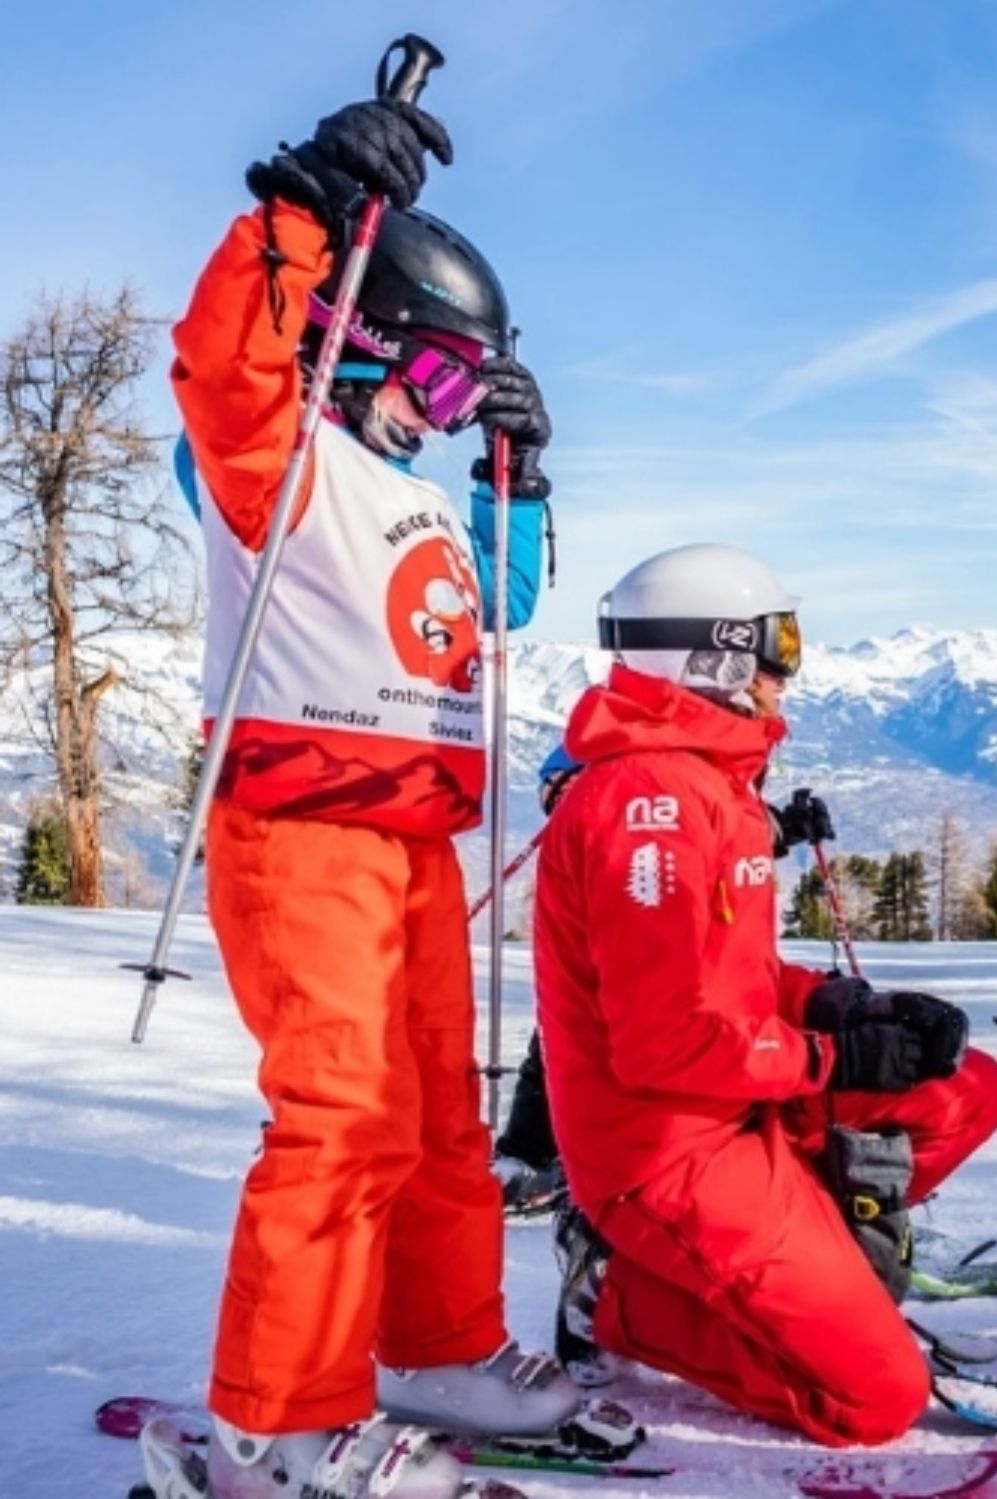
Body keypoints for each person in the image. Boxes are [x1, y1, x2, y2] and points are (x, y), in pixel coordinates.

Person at [145, 91, 574, 1499]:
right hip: (306, 823)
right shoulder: (271, 463)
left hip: (413, 842)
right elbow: (223, 366)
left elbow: (492, 603)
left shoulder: (418, 494)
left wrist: (516, 475)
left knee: (441, 1113)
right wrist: (309, 207)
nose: (443, 416)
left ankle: (436, 1338)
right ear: (357, 341)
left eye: (468, 398)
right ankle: (276, 1420)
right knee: (340, 1116)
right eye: (443, 385)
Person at [533, 544, 997, 1447]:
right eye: (774, 644)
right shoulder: (652, 806)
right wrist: (835, 1056)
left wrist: (839, 1003)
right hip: (668, 1151)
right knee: (874, 1401)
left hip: (740, 1102)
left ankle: (815, 1282)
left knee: (966, 1089)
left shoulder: (709, 780)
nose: (785, 670)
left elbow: (731, 974)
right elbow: (667, 1044)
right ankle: (618, 1293)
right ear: (713, 656)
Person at [489, 749, 842, 1220]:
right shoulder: (622, 774)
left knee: (585, 1027)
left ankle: (534, 1153)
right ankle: (533, 1153)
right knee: (576, 1030)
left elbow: (705, 839)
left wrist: (777, 827)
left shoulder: (649, 768)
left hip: (660, 916)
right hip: (615, 899)